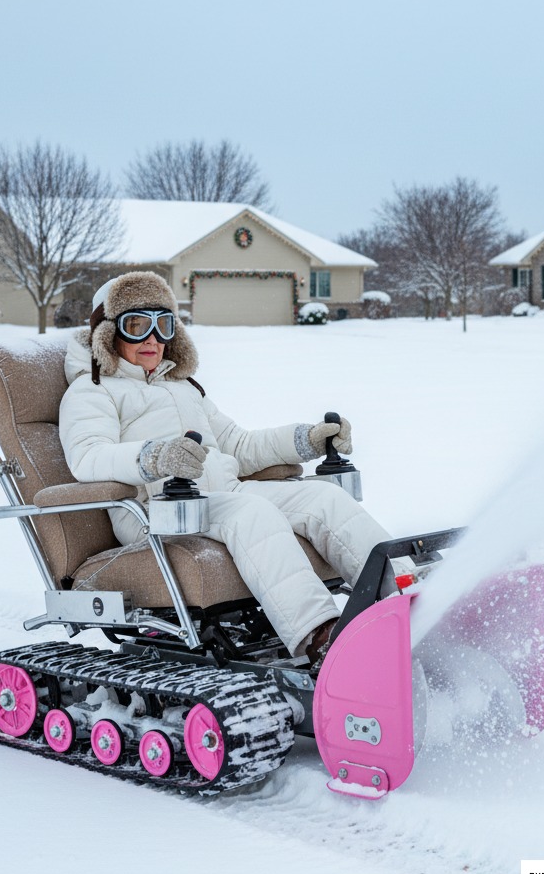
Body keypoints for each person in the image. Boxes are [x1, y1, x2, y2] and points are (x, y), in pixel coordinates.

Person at [59, 271, 394, 663]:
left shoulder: (183, 387)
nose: (152, 339)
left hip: (223, 494)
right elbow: (88, 457)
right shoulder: (92, 389)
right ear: (108, 333)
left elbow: (239, 445)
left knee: (323, 498)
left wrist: (307, 440)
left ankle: (407, 596)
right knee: (250, 512)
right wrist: (154, 457)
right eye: (137, 326)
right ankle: (321, 636)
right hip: (159, 512)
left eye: (163, 326)